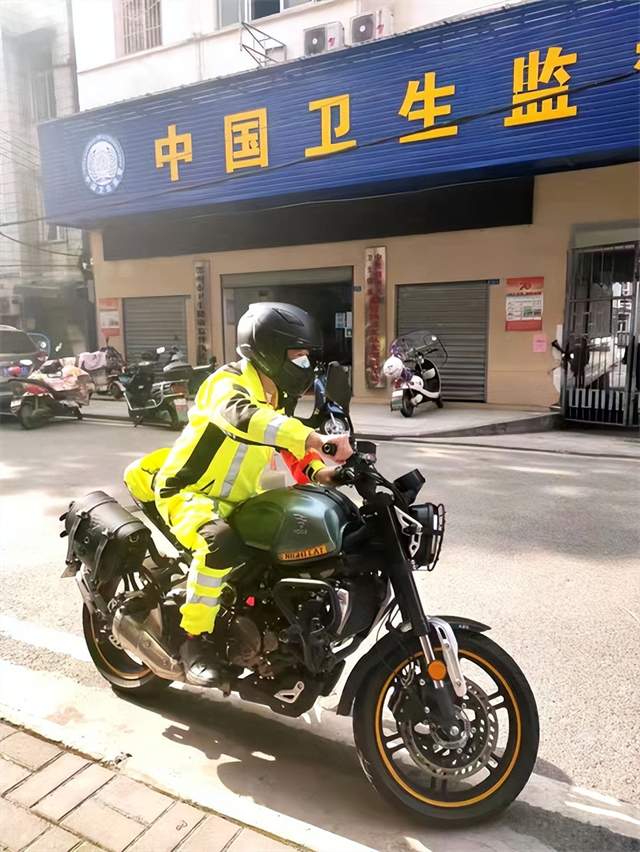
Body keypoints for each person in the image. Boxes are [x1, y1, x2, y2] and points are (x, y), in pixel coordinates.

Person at [124, 303, 352, 687]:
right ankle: (193, 641)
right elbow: (247, 419)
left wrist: (321, 471)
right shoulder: (226, 384)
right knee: (220, 544)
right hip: (187, 491)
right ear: (269, 352)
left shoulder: (276, 396)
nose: (305, 363)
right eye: (297, 354)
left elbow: (286, 442)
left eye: (307, 354)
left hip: (237, 499)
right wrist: (315, 439)